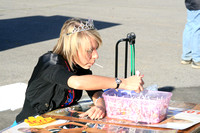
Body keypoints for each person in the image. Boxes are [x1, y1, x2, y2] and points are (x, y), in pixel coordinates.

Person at [15, 18, 144, 124]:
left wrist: (100, 106)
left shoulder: (79, 66)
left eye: (96, 49)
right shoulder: (49, 63)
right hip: (29, 125)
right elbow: (77, 83)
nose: (95, 56)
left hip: (59, 124)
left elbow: (95, 90)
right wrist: (123, 83)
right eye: (89, 50)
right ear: (72, 48)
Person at [181, 0, 200, 68]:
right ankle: (197, 59)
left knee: (190, 26)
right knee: (197, 29)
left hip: (191, 3)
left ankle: (186, 57)